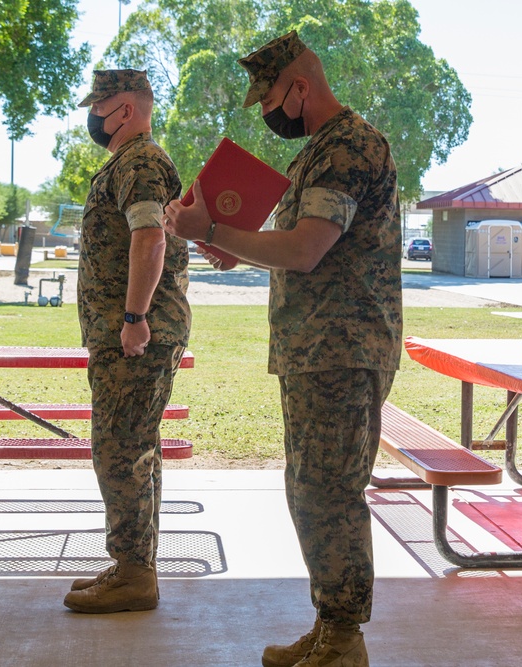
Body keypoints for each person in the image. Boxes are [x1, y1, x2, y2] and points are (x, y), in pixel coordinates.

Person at [163, 31, 402, 667]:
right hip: (315, 348)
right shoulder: (319, 151)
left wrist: (210, 228)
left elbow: (304, 249)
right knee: (308, 489)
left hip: (342, 348)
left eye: (268, 96)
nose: (266, 112)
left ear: (298, 87)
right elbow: (293, 241)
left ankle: (345, 639)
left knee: (329, 492)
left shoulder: (348, 146)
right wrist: (227, 243)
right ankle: (330, 626)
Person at [62, 69, 191, 614]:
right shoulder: (128, 162)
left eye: (100, 105)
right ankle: (134, 564)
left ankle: (136, 573)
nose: (93, 114)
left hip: (136, 334)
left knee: (119, 447)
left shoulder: (139, 162)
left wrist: (135, 315)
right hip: (127, 332)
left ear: (125, 110)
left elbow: (149, 237)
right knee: (135, 446)